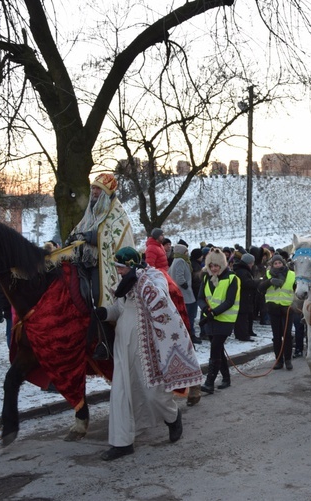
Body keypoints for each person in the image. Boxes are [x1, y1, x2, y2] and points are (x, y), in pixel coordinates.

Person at [95, 247, 202, 461]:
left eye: (122, 268)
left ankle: (173, 417)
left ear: (132, 265)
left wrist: (140, 278)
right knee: (121, 394)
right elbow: (119, 310)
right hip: (123, 348)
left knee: (154, 394)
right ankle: (122, 443)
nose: (119, 272)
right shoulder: (123, 286)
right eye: (117, 268)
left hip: (146, 350)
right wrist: (104, 313)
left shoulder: (152, 278)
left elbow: (161, 297)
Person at [64, 173, 135, 309]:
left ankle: (103, 324)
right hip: (84, 262)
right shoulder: (92, 209)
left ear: (107, 192)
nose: (94, 192)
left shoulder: (118, 214)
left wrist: (92, 237)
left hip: (102, 265)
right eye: (93, 188)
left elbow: (119, 241)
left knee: (99, 297)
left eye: (98, 189)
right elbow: (82, 226)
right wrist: (73, 237)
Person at [197, 248, 240, 393]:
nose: (214, 269)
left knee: (215, 349)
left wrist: (213, 313)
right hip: (210, 319)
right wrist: (205, 309)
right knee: (219, 349)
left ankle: (209, 382)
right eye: (211, 266)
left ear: (222, 265)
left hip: (225, 320)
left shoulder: (232, 278)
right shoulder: (206, 278)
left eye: (216, 266)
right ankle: (226, 378)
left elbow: (229, 301)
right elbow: (200, 297)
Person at [258, 254, 296, 370]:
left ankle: (288, 359)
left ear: (283, 263)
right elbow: (260, 288)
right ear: (272, 265)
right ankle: (279, 360)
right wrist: (269, 282)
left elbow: (297, 289)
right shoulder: (268, 274)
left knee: (287, 335)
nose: (278, 265)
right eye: (275, 263)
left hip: (287, 308)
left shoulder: (292, 274)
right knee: (276, 336)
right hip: (273, 308)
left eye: (279, 263)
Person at [168, 243, 199, 343]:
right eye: (186, 251)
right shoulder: (180, 261)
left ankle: (189, 334)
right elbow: (179, 276)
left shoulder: (175, 260)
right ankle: (190, 335)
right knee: (190, 315)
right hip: (186, 294)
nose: (187, 253)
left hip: (182, 293)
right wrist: (184, 284)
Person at [232, 253, 257, 342]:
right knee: (242, 317)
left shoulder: (242, 270)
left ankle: (247, 332)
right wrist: (256, 283)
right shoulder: (242, 271)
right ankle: (242, 335)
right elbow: (246, 283)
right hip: (243, 296)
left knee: (245, 316)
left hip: (245, 296)